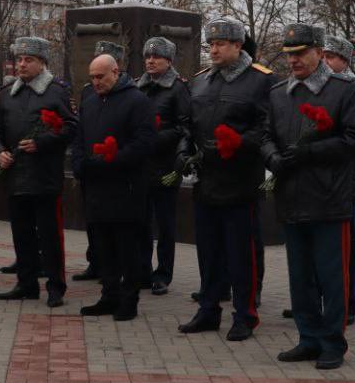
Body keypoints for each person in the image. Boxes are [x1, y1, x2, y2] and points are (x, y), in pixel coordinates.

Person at [263, 23, 355, 370]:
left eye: (300, 54)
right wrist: (272, 157)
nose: (293, 60)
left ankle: (332, 343)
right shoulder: (280, 93)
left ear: (320, 53)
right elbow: (265, 135)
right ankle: (307, 338)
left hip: (328, 199)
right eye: (289, 55)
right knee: (300, 276)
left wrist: (311, 153)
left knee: (331, 276)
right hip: (292, 197)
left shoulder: (343, 91)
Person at [177, 18, 273, 342]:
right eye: (211, 44)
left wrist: (239, 143)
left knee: (240, 254)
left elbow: (267, 128)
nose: (213, 49)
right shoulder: (201, 81)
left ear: (237, 45)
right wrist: (183, 151)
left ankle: (245, 315)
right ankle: (208, 310)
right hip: (206, 181)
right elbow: (187, 124)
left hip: (240, 182)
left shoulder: (260, 81)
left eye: (220, 44)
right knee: (209, 252)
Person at [70, 53, 155, 320]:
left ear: (115, 72)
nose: (95, 82)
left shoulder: (137, 101)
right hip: (96, 188)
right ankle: (109, 296)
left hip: (125, 188)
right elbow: (80, 137)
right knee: (102, 247)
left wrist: (111, 160)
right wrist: (80, 163)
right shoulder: (90, 101)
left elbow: (143, 143)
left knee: (126, 248)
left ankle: (128, 300)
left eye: (100, 76)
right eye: (92, 77)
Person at [0, 36, 76, 308]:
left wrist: (41, 143)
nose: (22, 64)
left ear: (42, 63)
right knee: (22, 233)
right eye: (19, 59)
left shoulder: (56, 92)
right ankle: (26, 284)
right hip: (15, 175)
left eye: (28, 59)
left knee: (50, 236)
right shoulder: (7, 93)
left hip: (44, 177)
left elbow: (70, 128)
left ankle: (55, 287)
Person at [320, 33, 355, 324]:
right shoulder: (313, 89)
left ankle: (347, 302)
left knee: (345, 250)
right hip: (314, 181)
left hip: (344, 181)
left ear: (345, 60)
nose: (326, 63)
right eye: (324, 57)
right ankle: (316, 299)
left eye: (331, 57)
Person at [136, 36, 191, 296]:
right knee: (142, 222)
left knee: (165, 225)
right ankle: (143, 270)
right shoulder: (139, 86)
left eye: (156, 57)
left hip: (167, 166)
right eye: (147, 56)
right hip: (142, 166)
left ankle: (163, 274)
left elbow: (184, 127)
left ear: (169, 61)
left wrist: (156, 138)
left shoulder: (178, 89)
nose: (150, 61)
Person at [70, 40, 127, 283]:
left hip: (113, 168)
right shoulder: (87, 91)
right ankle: (95, 262)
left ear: (116, 67)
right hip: (91, 167)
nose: (96, 81)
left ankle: (114, 268)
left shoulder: (127, 93)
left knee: (114, 225)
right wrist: (79, 162)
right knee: (93, 222)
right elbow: (81, 128)